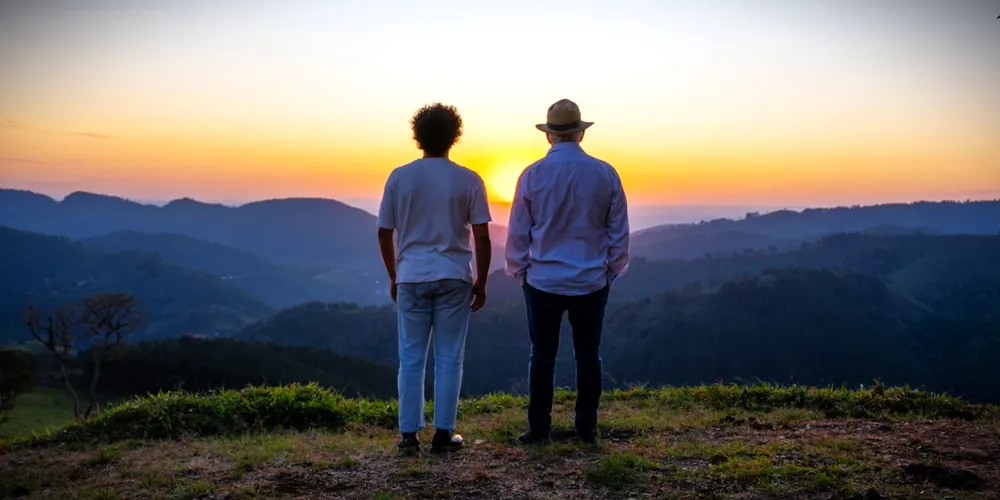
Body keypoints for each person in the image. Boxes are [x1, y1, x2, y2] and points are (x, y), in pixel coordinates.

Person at [506, 98, 630, 444]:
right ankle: (586, 425)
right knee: (588, 354)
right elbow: (618, 232)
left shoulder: (531, 175)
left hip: (543, 280)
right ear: (580, 134)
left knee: (542, 354)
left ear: (549, 136)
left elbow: (518, 233)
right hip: (591, 281)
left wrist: (521, 273)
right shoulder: (605, 173)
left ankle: (539, 427)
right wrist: (610, 272)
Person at [377, 103, 492, 453]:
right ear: (453, 136)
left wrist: (395, 275)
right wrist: (482, 281)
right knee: (449, 357)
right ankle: (444, 434)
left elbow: (384, 232)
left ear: (418, 136)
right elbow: (482, 236)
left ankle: (408, 436)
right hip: (455, 275)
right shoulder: (469, 179)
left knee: (410, 357)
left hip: (412, 275)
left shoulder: (399, 176)